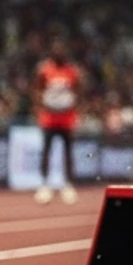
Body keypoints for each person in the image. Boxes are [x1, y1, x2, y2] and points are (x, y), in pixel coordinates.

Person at [33, 38, 80, 204]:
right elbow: (38, 91)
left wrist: (75, 111)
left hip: (67, 118)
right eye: (56, 50)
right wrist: (40, 109)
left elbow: (78, 92)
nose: (59, 53)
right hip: (49, 118)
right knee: (47, 151)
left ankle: (68, 185)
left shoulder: (72, 71)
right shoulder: (44, 70)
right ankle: (45, 185)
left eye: (62, 50)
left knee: (68, 152)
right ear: (52, 53)